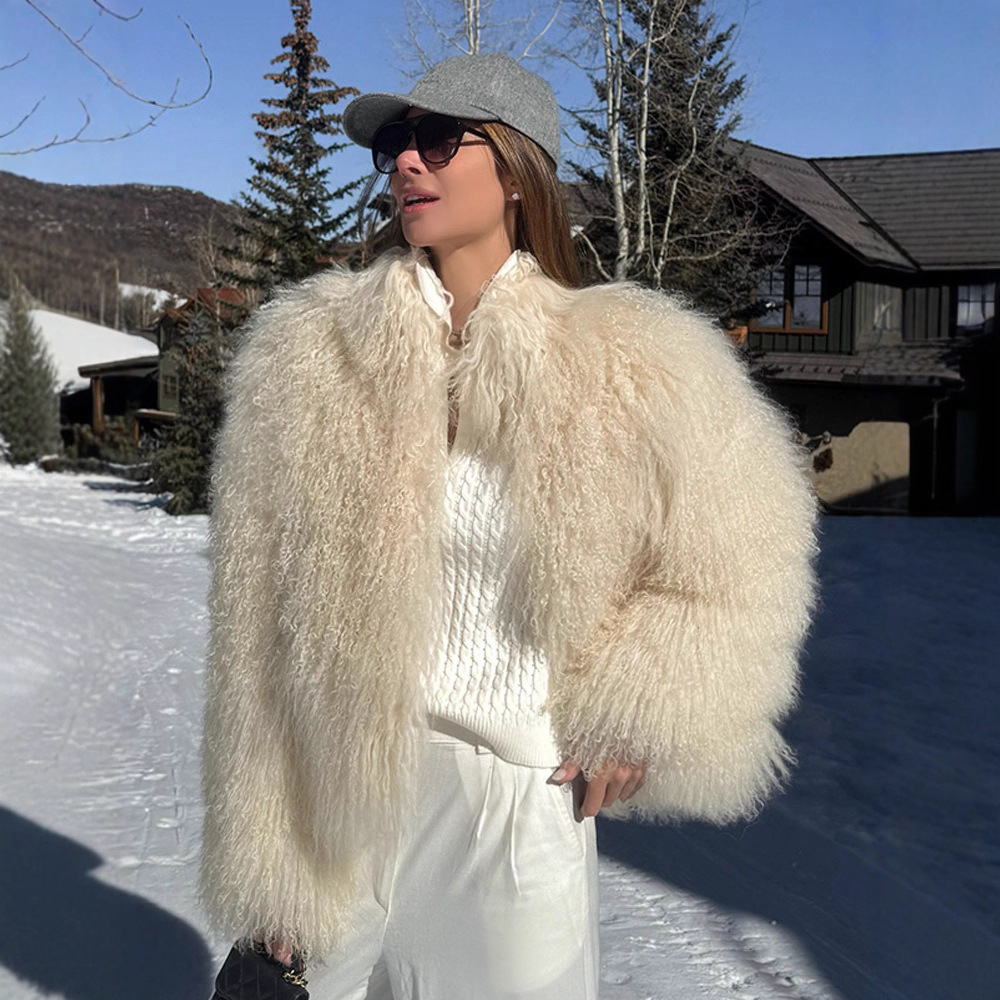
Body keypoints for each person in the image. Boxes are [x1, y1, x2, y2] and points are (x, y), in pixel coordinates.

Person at [199, 52, 819, 999]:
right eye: (397, 145)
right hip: (335, 808)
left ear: (520, 170)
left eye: (441, 139)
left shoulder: (632, 360)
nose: (409, 162)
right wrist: (269, 859)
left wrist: (643, 710)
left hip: (512, 808)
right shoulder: (309, 358)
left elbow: (745, 560)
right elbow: (255, 630)